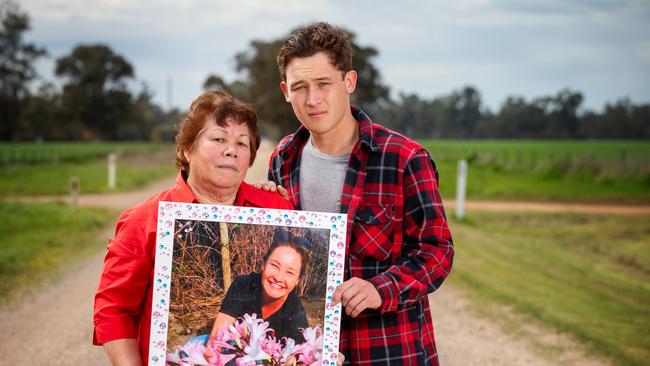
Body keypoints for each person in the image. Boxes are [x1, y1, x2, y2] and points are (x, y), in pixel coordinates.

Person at [267, 22, 454, 365]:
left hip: (386, 351)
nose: (313, 99)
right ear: (285, 91)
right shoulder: (282, 159)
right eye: (300, 87)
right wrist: (259, 206)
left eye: (324, 84)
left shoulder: (405, 159)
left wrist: (380, 288)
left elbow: (437, 252)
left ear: (348, 82)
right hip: (310, 352)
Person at [93, 90, 292, 366]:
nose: (231, 150)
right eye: (218, 139)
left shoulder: (278, 210)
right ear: (187, 148)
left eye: (242, 143)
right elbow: (113, 311)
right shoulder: (146, 219)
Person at [208, 229, 310, 342]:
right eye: (274, 266)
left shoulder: (295, 310)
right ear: (263, 265)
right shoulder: (243, 285)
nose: (278, 278)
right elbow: (215, 340)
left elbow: (301, 355)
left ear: (297, 281)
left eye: (290, 273)